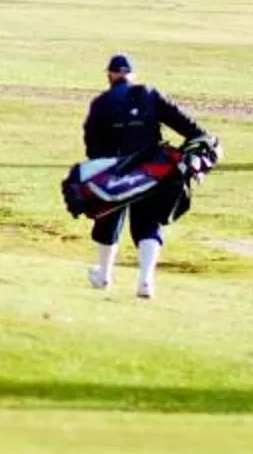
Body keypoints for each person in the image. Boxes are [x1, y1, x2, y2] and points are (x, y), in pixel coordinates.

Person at [80, 51, 204, 299]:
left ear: (110, 75)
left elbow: (92, 144)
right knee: (148, 223)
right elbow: (189, 127)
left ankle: (104, 275)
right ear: (132, 75)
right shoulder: (150, 95)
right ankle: (145, 280)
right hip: (151, 169)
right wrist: (190, 153)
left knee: (108, 221)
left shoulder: (101, 103)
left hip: (115, 171)